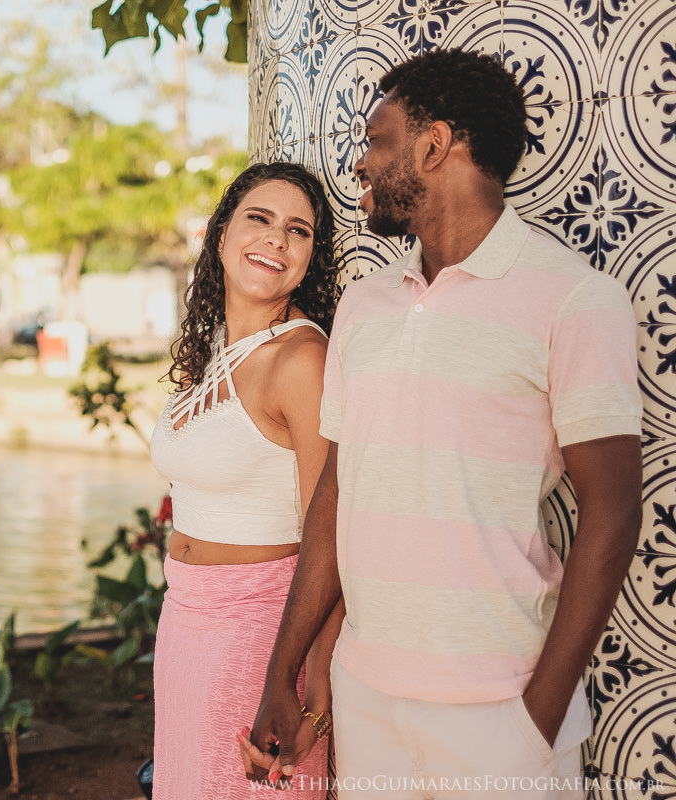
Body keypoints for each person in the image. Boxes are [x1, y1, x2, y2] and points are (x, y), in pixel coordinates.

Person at [241, 48, 642, 798]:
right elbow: (336, 494)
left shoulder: (574, 299)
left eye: (376, 140)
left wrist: (536, 718)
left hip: (501, 708)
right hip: (368, 696)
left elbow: (614, 513)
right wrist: (282, 673)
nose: (360, 163)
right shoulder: (364, 303)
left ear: (433, 146)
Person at [149, 161, 343, 800]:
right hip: (184, 619)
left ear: (310, 259)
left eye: (298, 230)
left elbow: (334, 531)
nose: (276, 239)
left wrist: (311, 688)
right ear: (221, 235)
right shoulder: (212, 350)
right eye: (259, 218)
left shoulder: (301, 359)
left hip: (261, 631)